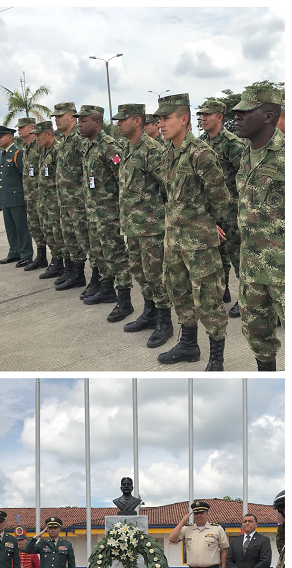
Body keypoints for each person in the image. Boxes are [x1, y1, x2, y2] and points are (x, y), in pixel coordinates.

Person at [155, 93, 231, 370]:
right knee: (180, 294)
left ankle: (216, 359)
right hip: (173, 241)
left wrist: (211, 225)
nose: (161, 124)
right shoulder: (167, 153)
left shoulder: (201, 154)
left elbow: (220, 198)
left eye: (166, 118)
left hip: (199, 245)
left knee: (209, 300)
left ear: (183, 119)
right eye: (159, 119)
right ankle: (188, 345)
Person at [232, 85, 285, 372]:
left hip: (282, 270)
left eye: (244, 111)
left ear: (267, 116)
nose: (236, 116)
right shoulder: (246, 155)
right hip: (252, 266)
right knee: (257, 334)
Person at [111, 103, 173, 348]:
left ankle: (164, 321)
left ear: (137, 121)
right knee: (139, 271)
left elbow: (168, 187)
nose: (118, 123)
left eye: (122, 119)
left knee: (156, 275)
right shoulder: (127, 148)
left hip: (152, 227)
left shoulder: (152, 150)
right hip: (132, 225)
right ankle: (149, 313)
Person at [75, 104, 132, 317]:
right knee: (99, 253)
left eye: (83, 121)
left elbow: (123, 180)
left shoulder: (110, 147)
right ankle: (106, 289)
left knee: (116, 255)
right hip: (94, 212)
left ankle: (124, 300)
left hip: (109, 214)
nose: (79, 125)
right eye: (78, 121)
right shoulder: (87, 146)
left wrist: (120, 212)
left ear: (97, 123)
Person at [197, 99, 246, 317]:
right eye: (201, 115)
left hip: (232, 210)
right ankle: (223, 290)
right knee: (218, 256)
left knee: (237, 257)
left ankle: (245, 300)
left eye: (208, 114)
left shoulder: (232, 143)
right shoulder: (202, 142)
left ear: (220, 117)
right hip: (213, 211)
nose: (203, 118)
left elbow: (246, 174)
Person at [52, 102, 91, 291]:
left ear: (72, 116)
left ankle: (92, 278)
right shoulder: (65, 140)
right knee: (70, 239)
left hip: (79, 201)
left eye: (60, 115)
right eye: (55, 116)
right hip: (66, 201)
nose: (57, 119)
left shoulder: (79, 139)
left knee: (85, 241)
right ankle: (75, 273)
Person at [32, 122, 67, 281]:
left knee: (59, 235)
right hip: (45, 202)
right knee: (49, 233)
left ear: (48, 134)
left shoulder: (58, 150)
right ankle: (56, 261)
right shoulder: (44, 151)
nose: (36, 138)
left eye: (39, 134)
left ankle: (66, 265)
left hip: (56, 202)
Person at [0, 125, 34, 266]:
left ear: (10, 137)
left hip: (17, 197)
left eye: (1, 137)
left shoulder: (18, 153)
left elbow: (25, 176)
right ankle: (14, 252)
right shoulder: (0, 155)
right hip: (6, 197)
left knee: (21, 227)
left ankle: (26, 254)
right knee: (10, 227)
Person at [18, 117, 48, 271]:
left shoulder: (40, 146)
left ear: (31, 127)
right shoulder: (25, 147)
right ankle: (41, 256)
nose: (19, 129)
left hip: (42, 194)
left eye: (22, 127)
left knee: (49, 228)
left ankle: (60, 261)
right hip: (31, 195)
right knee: (35, 227)